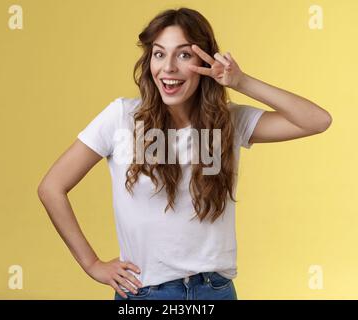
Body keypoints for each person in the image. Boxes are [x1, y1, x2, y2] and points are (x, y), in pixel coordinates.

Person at [37, 7, 332, 300]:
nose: (168, 68)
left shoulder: (227, 121)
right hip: (146, 293)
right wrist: (92, 264)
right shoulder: (121, 117)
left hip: (215, 291)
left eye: (183, 54)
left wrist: (241, 82)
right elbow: (52, 187)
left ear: (205, 61)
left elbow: (317, 121)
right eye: (159, 53)